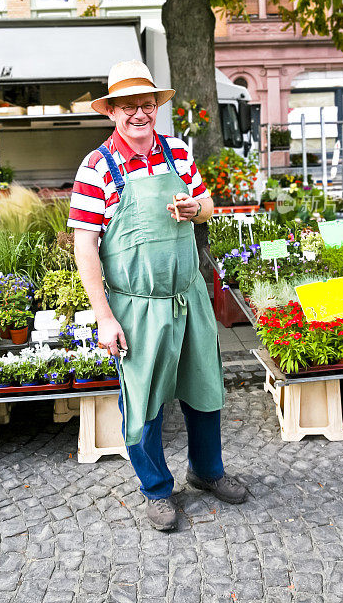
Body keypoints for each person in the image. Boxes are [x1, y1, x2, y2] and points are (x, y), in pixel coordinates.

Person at [68, 59, 247, 531]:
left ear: (156, 108)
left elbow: (208, 205)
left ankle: (207, 471)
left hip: (189, 297)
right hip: (136, 305)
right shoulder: (96, 168)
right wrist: (105, 317)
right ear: (111, 112)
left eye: (146, 105)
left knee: (204, 386)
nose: (139, 114)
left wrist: (196, 208)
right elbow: (84, 247)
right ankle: (156, 489)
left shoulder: (178, 153)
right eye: (128, 107)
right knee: (143, 399)